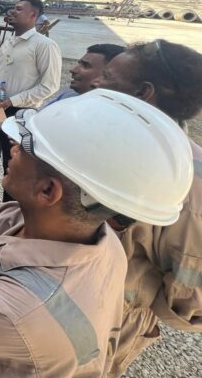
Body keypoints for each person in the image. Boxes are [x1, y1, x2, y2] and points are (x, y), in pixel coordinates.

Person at [0, 89, 194, 378]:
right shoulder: (102, 242)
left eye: (26, 146)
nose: (14, 149)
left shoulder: (17, 312)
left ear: (48, 190)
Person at [91, 40, 202, 377]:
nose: (95, 81)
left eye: (107, 77)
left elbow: (191, 300)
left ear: (144, 93)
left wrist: (130, 301)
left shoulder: (190, 184)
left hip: (103, 324)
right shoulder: (97, 136)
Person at [0, 0, 62, 202]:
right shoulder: (10, 41)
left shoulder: (44, 45)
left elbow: (50, 85)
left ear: (33, 15)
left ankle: (8, 207)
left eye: (19, 9)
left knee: (13, 159)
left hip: (19, 111)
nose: (12, 11)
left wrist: (14, 100)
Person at [45, 43, 124, 105]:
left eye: (86, 66)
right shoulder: (69, 94)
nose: (73, 70)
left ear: (108, 75)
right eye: (79, 64)